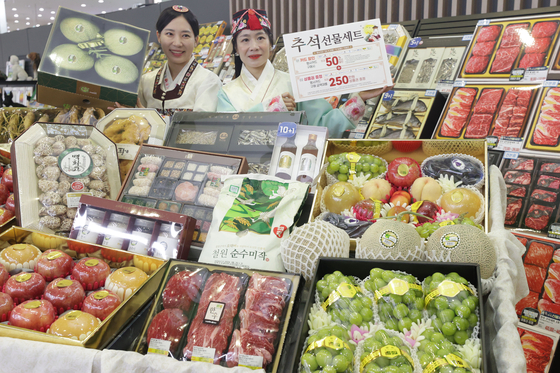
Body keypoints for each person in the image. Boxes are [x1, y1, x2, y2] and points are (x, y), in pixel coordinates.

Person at [217, 9, 392, 138]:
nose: (254, 46)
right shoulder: (226, 93)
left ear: (271, 45)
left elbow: (322, 126)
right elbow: (225, 135)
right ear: (237, 49)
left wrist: (359, 99)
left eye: (260, 38)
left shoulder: (295, 83)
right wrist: (272, 108)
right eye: (245, 39)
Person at [116, 5, 222, 114]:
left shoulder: (208, 81)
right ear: (159, 36)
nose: (177, 43)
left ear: (196, 40)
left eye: (185, 35)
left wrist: (146, 116)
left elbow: (200, 128)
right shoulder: (146, 81)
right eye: (169, 34)